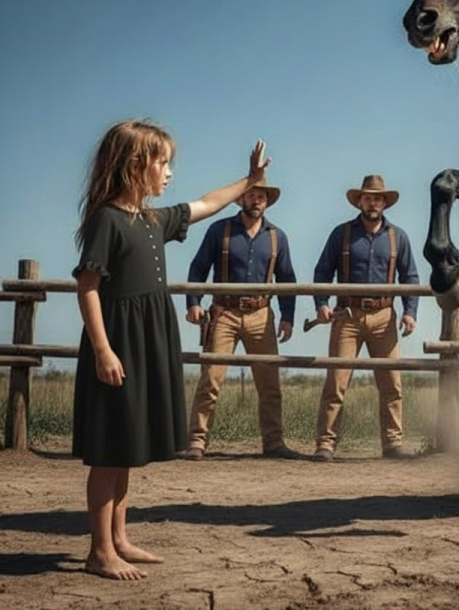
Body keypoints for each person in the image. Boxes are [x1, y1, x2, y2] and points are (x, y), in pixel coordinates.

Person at [72, 119, 269, 580]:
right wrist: (103, 350)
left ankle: (119, 538)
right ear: (135, 165)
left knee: (127, 445)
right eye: (163, 163)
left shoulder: (153, 219)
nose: (169, 173)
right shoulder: (107, 219)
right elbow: (87, 287)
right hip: (119, 341)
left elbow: (205, 204)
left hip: (148, 340)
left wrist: (250, 181)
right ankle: (99, 550)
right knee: (109, 450)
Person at [182, 175, 305, 461]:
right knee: (211, 379)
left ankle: (274, 444)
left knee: (269, 382)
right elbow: (198, 267)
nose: (256, 199)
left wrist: (288, 316)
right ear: (240, 198)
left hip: (262, 314)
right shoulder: (219, 230)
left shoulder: (277, 237)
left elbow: (287, 278)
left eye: (262, 196)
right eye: (251, 194)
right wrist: (193, 302)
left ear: (267, 201)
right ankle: (197, 443)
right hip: (223, 312)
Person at [311, 174, 419, 462]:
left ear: (385, 203)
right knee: (336, 382)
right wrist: (321, 303)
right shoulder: (341, 234)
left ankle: (393, 443)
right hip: (347, 315)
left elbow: (410, 276)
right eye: (368, 197)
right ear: (359, 201)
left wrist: (410, 312)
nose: (373, 203)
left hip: (385, 315)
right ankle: (326, 443)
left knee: (391, 383)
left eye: (378, 198)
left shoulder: (399, 237)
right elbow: (322, 271)